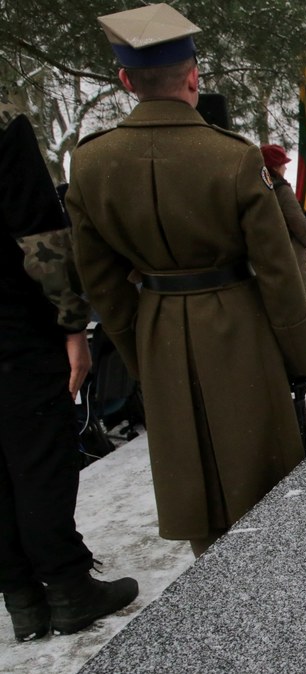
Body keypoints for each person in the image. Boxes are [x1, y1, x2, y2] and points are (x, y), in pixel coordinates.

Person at [66, 3, 306, 557]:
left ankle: (212, 599)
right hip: (239, 327)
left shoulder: (90, 164)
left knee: (198, 480)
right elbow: (278, 273)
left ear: (125, 79)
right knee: (264, 480)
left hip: (157, 328)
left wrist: (141, 353)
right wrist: (302, 358)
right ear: (194, 77)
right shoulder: (232, 157)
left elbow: (102, 283)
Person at [1, 107, 138, 641]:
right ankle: (67, 587)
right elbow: (40, 235)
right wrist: (71, 325)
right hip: (14, 329)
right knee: (38, 461)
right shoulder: (4, 127)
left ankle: (22, 599)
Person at [260, 144, 306, 293]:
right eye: (283, 164)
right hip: (289, 252)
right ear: (276, 167)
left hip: (265, 252)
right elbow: (297, 222)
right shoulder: (282, 189)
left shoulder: (256, 186)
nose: (285, 168)